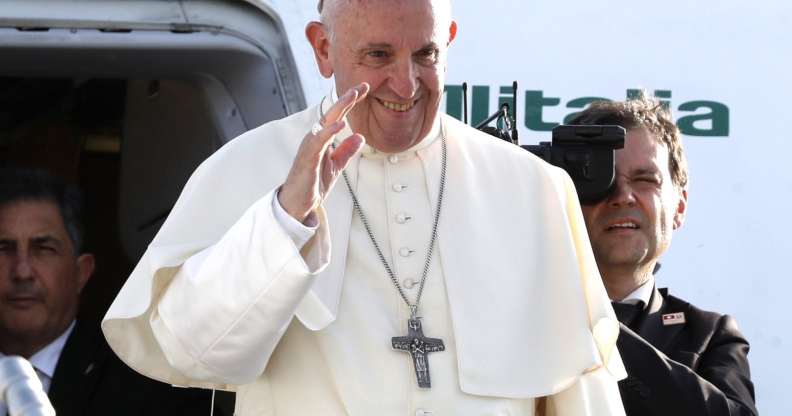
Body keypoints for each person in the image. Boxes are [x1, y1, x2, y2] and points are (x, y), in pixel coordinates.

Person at [101, 1, 627, 414]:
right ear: (323, 48)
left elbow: (580, 393)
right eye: (378, 56)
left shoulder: (530, 188)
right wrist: (283, 223)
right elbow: (189, 352)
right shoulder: (246, 167)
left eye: (426, 55)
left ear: (449, 41)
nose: (406, 84)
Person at [569, 97, 758, 415]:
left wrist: (597, 328)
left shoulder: (710, 335)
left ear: (679, 206)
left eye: (645, 180)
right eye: (601, 178)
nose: (622, 196)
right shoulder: (515, 317)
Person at [0, 168, 223, 416]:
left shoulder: (149, 379)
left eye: (43, 249)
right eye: (4, 248)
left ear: (81, 272)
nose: (22, 272)